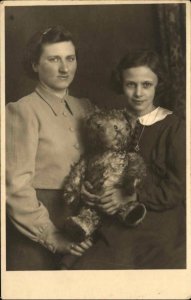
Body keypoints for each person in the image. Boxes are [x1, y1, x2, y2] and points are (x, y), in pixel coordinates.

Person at [71, 50, 186, 269]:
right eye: (131, 85)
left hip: (161, 227)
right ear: (121, 84)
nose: (138, 93)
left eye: (146, 85)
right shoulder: (109, 123)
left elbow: (179, 188)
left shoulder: (174, 127)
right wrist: (88, 189)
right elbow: (97, 165)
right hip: (113, 225)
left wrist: (132, 196)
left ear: (158, 84)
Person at [6, 25, 94, 270]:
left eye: (70, 58)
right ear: (35, 65)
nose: (65, 68)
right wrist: (51, 236)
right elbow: (15, 186)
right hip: (38, 228)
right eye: (54, 59)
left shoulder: (86, 107)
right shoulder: (22, 110)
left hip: (84, 227)